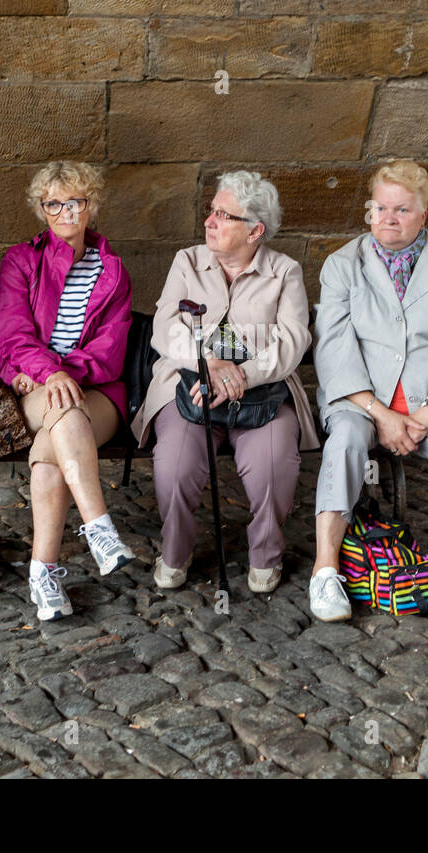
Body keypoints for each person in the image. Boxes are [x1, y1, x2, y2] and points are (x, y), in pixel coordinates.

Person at [311, 160, 428, 622]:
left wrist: (427, 412)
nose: (389, 218)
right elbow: (333, 351)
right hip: (360, 401)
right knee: (347, 441)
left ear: (423, 215)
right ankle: (326, 570)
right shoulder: (342, 265)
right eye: (381, 208)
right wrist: (381, 414)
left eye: (403, 210)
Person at [130, 171, 319, 593]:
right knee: (175, 466)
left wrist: (243, 375)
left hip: (263, 394)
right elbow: (164, 326)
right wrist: (208, 365)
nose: (210, 222)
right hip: (188, 388)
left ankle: (265, 554)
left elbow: (293, 340)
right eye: (211, 211)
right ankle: (176, 551)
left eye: (224, 215)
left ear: (256, 230)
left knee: (273, 467)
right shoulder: (187, 261)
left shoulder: (284, 272)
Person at [0, 162, 135, 622]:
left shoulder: (112, 270)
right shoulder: (20, 260)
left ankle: (43, 574)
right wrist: (49, 374)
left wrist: (59, 374)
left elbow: (109, 350)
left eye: (76, 201)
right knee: (64, 412)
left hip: (97, 392)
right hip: (32, 389)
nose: (66, 211)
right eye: (55, 203)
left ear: (91, 205)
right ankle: (98, 528)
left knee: (61, 428)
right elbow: (12, 333)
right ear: (42, 210)